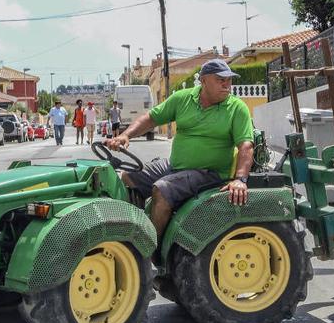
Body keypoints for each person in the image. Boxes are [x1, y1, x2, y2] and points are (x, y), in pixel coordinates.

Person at [106, 59, 254, 239]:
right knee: (127, 177)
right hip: (175, 166)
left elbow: (245, 145)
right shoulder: (182, 99)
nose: (227, 84)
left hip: (209, 173)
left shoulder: (237, 108)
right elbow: (151, 118)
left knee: (162, 190)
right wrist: (125, 135)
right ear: (204, 81)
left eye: (229, 80)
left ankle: (151, 250)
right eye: (220, 79)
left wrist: (240, 180)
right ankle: (132, 231)